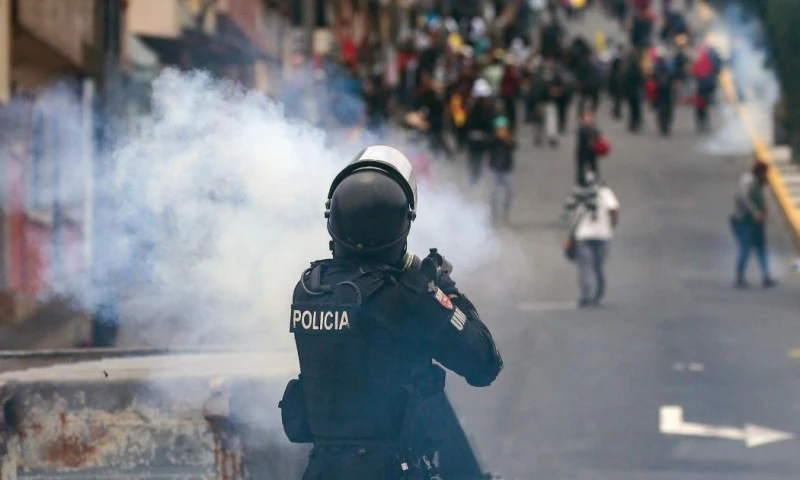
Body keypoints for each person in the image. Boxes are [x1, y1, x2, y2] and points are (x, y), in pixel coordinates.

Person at [283, 146, 503, 479]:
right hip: (391, 469)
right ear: (402, 224)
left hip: (322, 468)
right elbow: (484, 364)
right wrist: (445, 291)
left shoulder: (310, 288)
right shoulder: (408, 297)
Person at [565, 172, 620, 307]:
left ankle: (586, 296)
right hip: (603, 235)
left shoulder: (577, 193)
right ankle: (598, 294)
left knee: (585, 267)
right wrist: (611, 226)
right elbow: (613, 209)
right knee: (598, 266)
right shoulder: (605, 193)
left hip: (583, 236)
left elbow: (569, 208)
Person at [731, 160, 777, 289]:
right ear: (760, 172)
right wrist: (755, 212)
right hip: (744, 221)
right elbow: (743, 198)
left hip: (756, 222)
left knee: (761, 249)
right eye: (765, 173)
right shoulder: (748, 181)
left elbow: (761, 199)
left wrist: (764, 210)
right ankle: (739, 276)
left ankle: (766, 276)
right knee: (745, 249)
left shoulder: (759, 183)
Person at [489, 103, 516, 223]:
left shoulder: (508, 138)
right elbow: (489, 146)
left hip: (506, 168)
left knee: (509, 192)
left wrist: (507, 139)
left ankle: (505, 213)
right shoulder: (493, 138)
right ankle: (493, 214)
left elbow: (514, 146)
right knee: (494, 193)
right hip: (494, 168)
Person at [575, 109, 602, 185]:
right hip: (582, 152)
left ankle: (594, 178)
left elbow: (598, 137)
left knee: (593, 166)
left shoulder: (594, 129)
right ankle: (581, 180)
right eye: (586, 120)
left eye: (589, 120)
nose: (588, 121)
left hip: (592, 152)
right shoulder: (581, 130)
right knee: (582, 166)